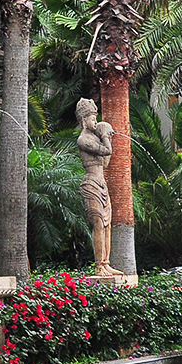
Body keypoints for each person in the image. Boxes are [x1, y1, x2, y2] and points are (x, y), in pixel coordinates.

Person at [75, 98, 118, 276]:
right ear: (84, 120)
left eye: (95, 118)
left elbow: (105, 162)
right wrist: (106, 136)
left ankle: (106, 263)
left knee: (107, 224)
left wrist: (107, 137)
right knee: (99, 223)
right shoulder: (83, 139)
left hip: (102, 184)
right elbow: (107, 150)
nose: (95, 121)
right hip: (91, 184)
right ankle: (99, 265)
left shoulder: (95, 138)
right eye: (92, 118)